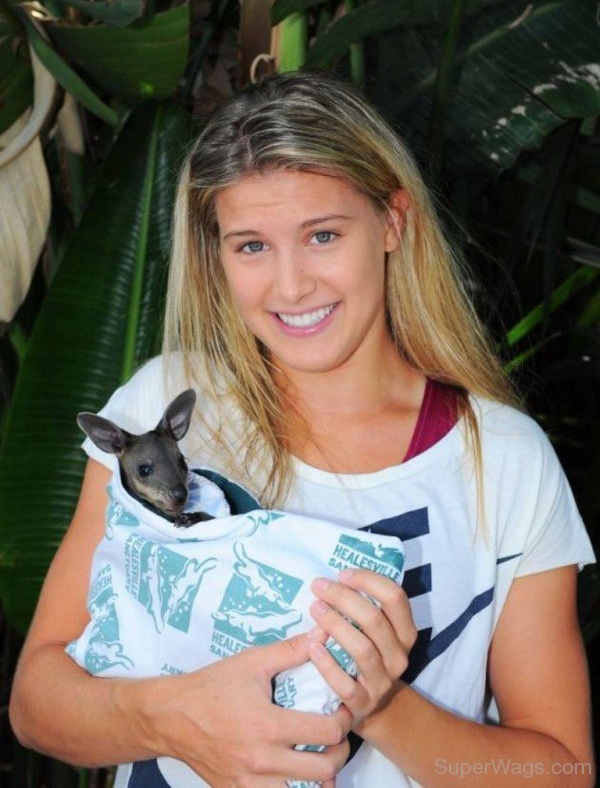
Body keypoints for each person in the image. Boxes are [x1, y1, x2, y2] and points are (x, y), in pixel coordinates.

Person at [9, 68, 596, 787]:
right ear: (215, 253)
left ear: (393, 221)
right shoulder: (161, 410)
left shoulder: (503, 460)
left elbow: (562, 771)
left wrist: (379, 702)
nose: (291, 287)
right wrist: (168, 719)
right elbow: (39, 701)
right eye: (251, 245)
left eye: (321, 234)